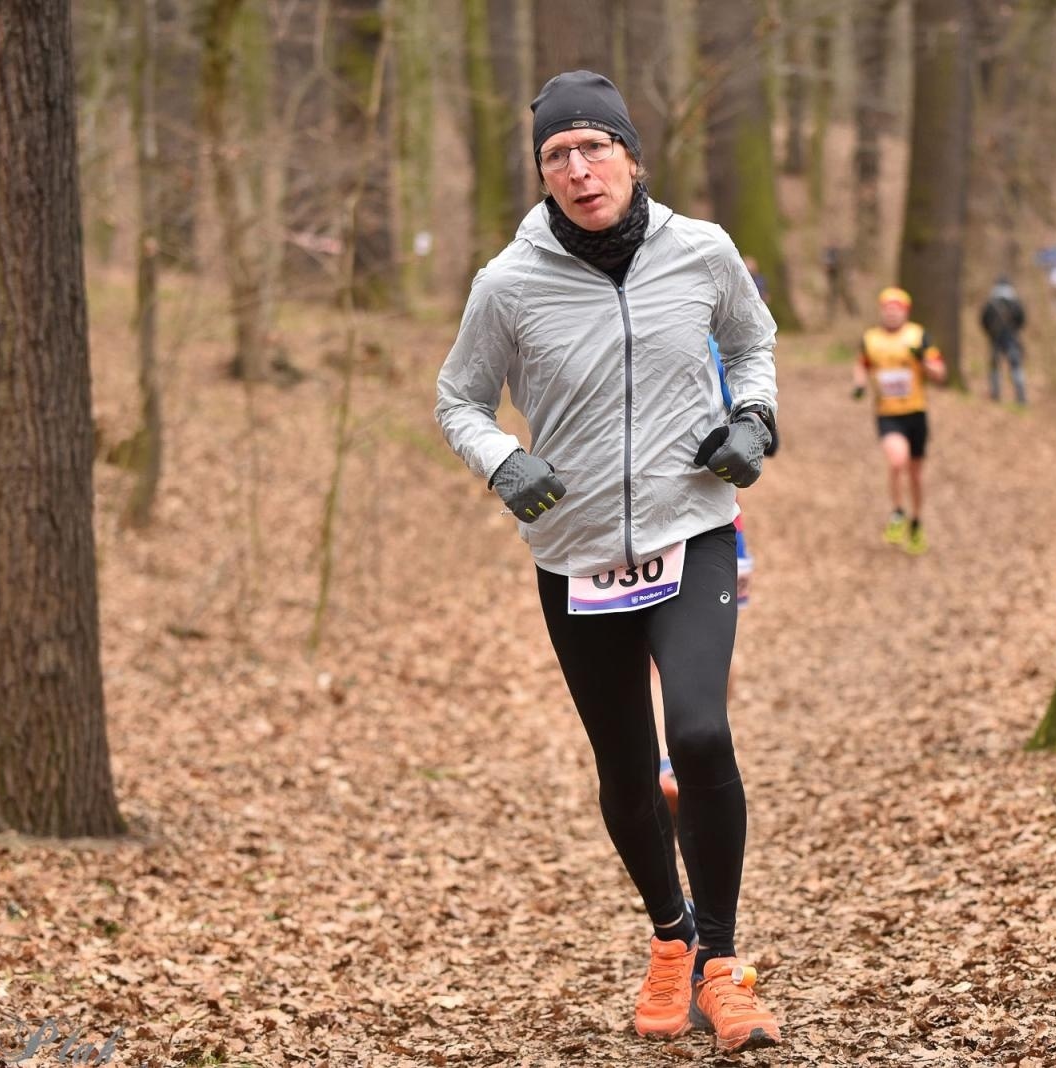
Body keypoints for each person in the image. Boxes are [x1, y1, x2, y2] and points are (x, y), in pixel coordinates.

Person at [435, 70, 782, 1054]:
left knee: (702, 736)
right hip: (576, 552)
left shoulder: (702, 251)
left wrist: (753, 420)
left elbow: (752, 341)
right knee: (625, 763)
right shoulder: (508, 282)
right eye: (557, 155)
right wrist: (505, 461)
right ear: (541, 174)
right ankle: (667, 939)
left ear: (631, 156)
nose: (579, 169)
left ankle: (721, 964)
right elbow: (458, 398)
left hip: (693, 527)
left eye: (594, 147)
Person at [851, 286, 946, 554]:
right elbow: (862, 363)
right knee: (897, 460)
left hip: (916, 413)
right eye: (887, 309)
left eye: (897, 309)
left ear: (905, 312)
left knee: (915, 474)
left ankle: (916, 522)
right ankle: (897, 513)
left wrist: (923, 363)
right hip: (887, 414)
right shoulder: (871, 338)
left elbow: (940, 373)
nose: (891, 314)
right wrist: (859, 383)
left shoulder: (918, 336)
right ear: (882, 311)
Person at [980, 276, 1027, 406]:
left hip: (995, 339)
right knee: (1016, 367)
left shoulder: (991, 303)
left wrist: (990, 333)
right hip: (1011, 339)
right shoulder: (1015, 302)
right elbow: (1022, 320)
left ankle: (996, 394)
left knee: (995, 367)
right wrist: (1014, 331)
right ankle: (1021, 396)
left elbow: (984, 321)